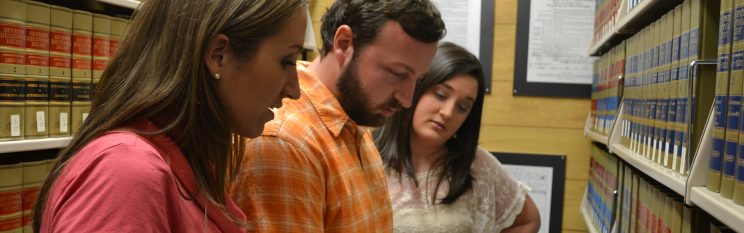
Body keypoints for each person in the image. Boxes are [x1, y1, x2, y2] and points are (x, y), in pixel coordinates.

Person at [32, 0, 307, 232]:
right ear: (219, 55)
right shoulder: (126, 174)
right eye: (287, 61)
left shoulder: (185, 162)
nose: (294, 90)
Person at [229, 0, 445, 232]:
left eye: (418, 79)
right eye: (397, 73)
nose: (407, 99)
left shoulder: (352, 116)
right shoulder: (285, 143)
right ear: (344, 44)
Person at [373, 42, 541, 233]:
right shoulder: (364, 157)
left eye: (462, 107)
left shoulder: (476, 164)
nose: (448, 112)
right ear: (417, 88)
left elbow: (528, 220)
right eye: (441, 95)